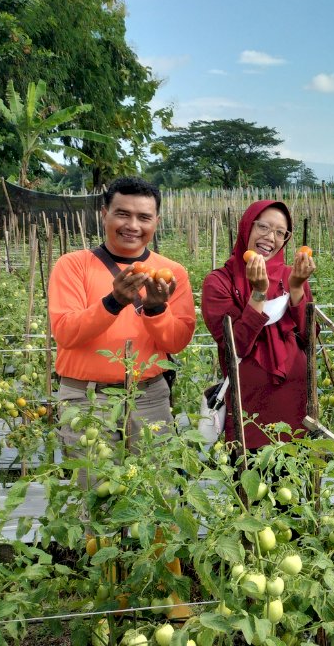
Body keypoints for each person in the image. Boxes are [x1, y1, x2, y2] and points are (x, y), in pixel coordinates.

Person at [50, 176, 195, 463]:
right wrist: (112, 302)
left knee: (154, 495)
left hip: (149, 397)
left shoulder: (171, 273)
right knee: (94, 493)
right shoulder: (73, 265)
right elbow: (65, 333)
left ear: (156, 221)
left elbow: (177, 342)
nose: (133, 226)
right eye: (122, 214)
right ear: (104, 214)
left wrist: (155, 310)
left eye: (144, 217)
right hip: (87, 400)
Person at [200, 200, 316, 449]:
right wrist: (258, 293)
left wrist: (296, 288)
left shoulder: (292, 275)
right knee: (249, 478)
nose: (270, 237)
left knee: (293, 479)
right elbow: (236, 346)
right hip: (248, 408)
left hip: (294, 404)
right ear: (246, 228)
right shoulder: (220, 282)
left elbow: (310, 338)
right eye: (263, 227)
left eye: (279, 232)